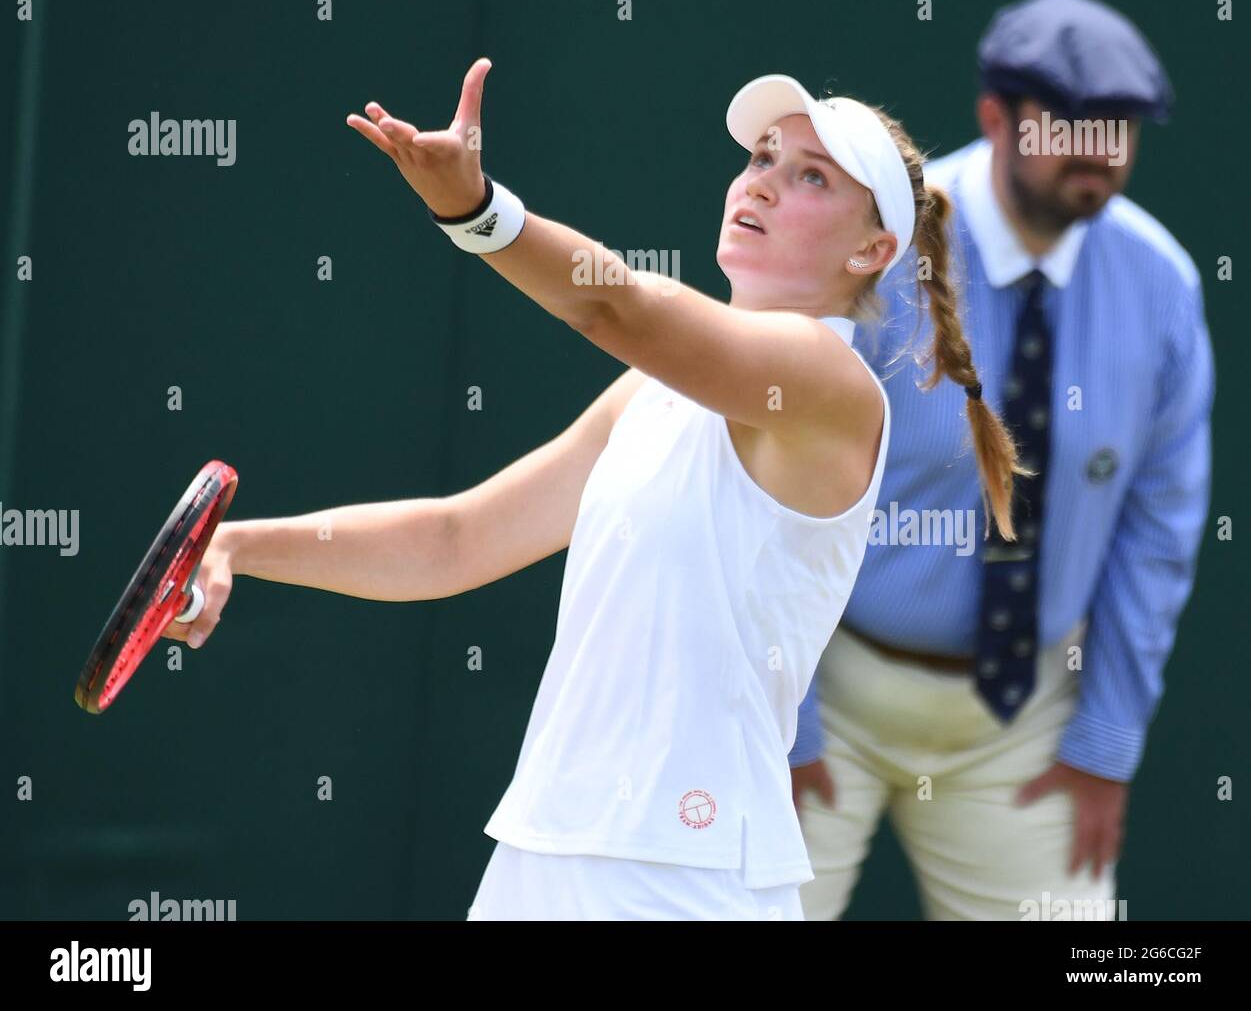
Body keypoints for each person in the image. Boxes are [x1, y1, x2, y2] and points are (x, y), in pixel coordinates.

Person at [162, 59, 1020, 921]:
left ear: (872, 249)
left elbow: (620, 311)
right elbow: (456, 540)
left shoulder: (825, 382)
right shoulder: (649, 397)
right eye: (760, 158)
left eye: (809, 177)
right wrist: (234, 544)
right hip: (542, 852)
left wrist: (477, 210)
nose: (760, 184)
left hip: (689, 877)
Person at [789, 0, 1215, 922]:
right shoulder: (877, 247)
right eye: (1074, 126)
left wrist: (1103, 747)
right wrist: (785, 723)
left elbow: (1158, 537)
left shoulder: (1163, 286)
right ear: (996, 118)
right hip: (827, 697)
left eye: (1123, 129)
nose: (1099, 158)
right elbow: (769, 489)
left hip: (1024, 729)